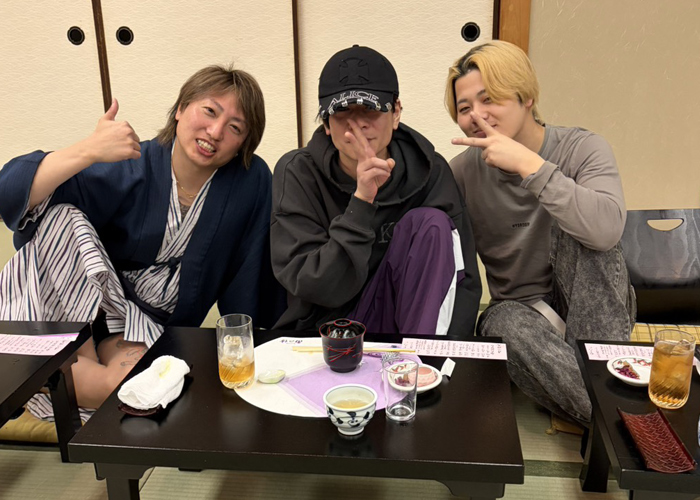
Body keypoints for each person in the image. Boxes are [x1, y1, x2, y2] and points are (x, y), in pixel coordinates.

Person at [0, 64, 274, 416]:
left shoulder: (251, 182)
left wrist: (252, 346)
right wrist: (89, 150)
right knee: (61, 216)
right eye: (209, 111)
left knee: (136, 384)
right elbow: (11, 195)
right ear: (180, 109)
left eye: (235, 127)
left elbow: (249, 268)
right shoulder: (132, 162)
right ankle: (57, 360)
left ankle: (37, 370)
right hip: (84, 309)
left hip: (149, 326)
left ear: (243, 144)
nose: (216, 131)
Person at [445, 40, 635, 425]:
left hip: (595, 308)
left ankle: (607, 416)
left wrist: (531, 167)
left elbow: (606, 233)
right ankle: (625, 418)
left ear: (527, 97)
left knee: (584, 227)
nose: (477, 115)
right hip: (524, 322)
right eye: (465, 108)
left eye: (489, 99)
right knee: (498, 324)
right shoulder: (461, 173)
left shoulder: (583, 149)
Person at [271, 45, 481, 337]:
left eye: (370, 109)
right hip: (325, 332)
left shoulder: (429, 170)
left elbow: (463, 279)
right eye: (342, 111)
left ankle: (420, 358)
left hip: (405, 328)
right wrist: (361, 202)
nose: (358, 123)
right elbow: (310, 284)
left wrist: (450, 352)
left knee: (431, 223)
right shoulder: (298, 173)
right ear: (326, 123)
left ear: (396, 113)